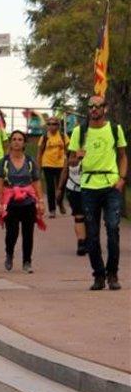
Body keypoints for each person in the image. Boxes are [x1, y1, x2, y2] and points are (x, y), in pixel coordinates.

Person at [69, 95, 127, 291]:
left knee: (112, 229)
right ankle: (98, 275)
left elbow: (122, 156)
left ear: (105, 108)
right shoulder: (80, 131)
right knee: (92, 234)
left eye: (98, 106)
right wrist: (76, 158)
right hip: (88, 186)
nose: (94, 109)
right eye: (90, 106)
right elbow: (71, 162)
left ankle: (112, 273)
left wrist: (122, 179)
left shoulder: (114, 129)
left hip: (110, 185)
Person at [0, 131, 45, 274]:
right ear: (10, 142)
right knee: (12, 233)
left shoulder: (30, 161)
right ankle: (9, 254)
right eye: (14, 139)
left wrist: (40, 200)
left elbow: (36, 180)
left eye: (20, 139)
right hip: (11, 201)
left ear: (24, 143)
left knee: (28, 233)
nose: (17, 142)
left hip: (28, 201)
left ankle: (27, 261)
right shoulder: (4, 162)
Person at [37, 116, 68, 219]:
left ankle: (59, 202)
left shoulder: (63, 137)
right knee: (50, 188)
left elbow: (68, 151)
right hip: (47, 164)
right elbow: (40, 152)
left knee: (61, 187)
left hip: (60, 165)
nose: (51, 126)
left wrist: (69, 163)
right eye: (49, 124)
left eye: (54, 124)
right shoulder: (44, 137)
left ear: (58, 126)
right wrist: (39, 166)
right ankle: (52, 210)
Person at [62, 156, 88, 256]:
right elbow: (65, 171)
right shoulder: (71, 150)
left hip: (91, 187)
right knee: (79, 216)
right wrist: (60, 189)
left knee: (91, 217)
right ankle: (81, 242)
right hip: (73, 189)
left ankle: (91, 241)